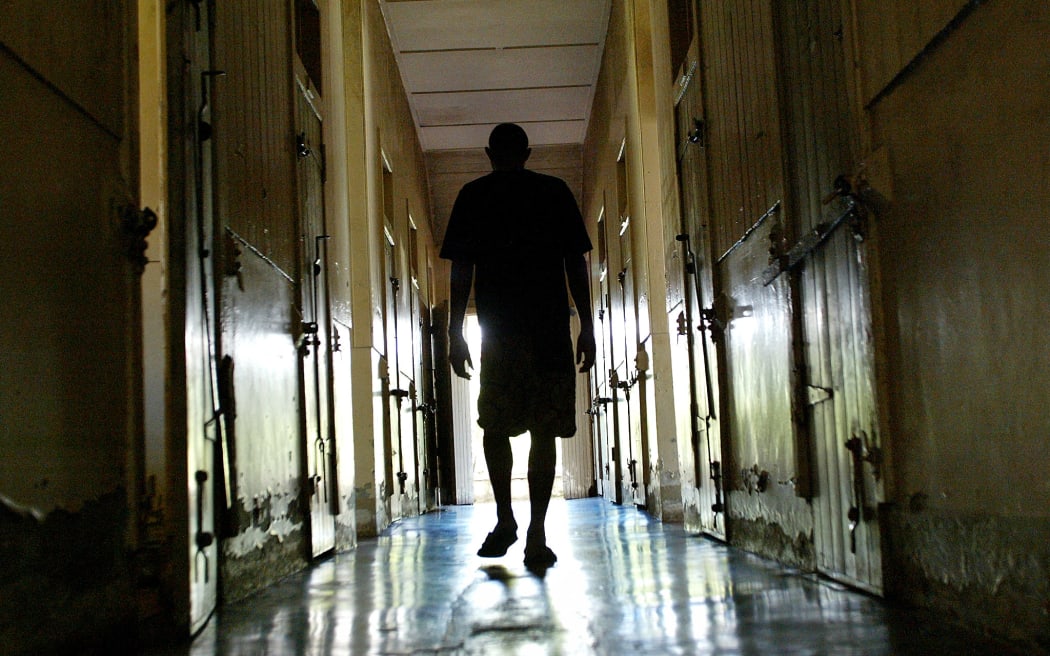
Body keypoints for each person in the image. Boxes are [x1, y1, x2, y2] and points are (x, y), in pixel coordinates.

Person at [440, 123, 595, 569]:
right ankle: (536, 532)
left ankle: (507, 518)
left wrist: (455, 332)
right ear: (528, 151)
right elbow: (575, 265)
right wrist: (586, 325)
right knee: (543, 430)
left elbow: (461, 271)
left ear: (489, 153)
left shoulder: (474, 195)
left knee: (495, 425)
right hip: (546, 329)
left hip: (501, 332)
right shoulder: (554, 191)